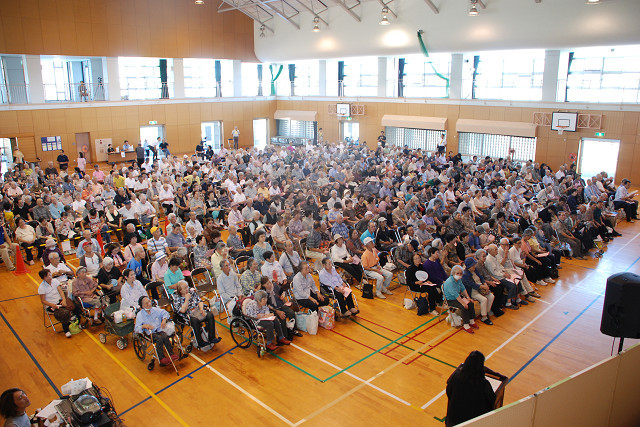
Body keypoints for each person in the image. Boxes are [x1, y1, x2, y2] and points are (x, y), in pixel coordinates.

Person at [446, 351, 502, 426]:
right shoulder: (483, 384)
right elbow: (492, 400)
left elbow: (448, 392)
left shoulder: (456, 377)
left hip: (453, 421)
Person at [172, 281, 221, 349]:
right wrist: (187, 299)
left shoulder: (191, 291)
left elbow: (199, 301)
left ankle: (212, 337)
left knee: (210, 315)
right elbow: (182, 310)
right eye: (185, 288)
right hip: (187, 315)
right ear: (180, 290)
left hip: (197, 310)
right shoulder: (176, 297)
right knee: (194, 321)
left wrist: (201, 309)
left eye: (187, 286)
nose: (187, 289)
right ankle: (200, 342)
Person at [38, 269, 81, 338]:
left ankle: (77, 323)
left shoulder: (55, 281)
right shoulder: (42, 287)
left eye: (50, 274)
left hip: (59, 300)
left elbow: (61, 292)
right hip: (51, 305)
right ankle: (66, 330)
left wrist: (64, 300)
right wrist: (53, 305)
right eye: (48, 275)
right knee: (63, 313)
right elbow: (43, 301)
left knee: (75, 306)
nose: (50, 276)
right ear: (44, 278)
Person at [134, 296, 177, 366]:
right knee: (159, 339)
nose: (149, 304)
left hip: (159, 329)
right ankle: (161, 358)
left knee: (165, 336)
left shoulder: (155, 309)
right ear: (142, 306)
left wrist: (164, 320)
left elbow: (165, 313)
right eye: (146, 303)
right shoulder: (140, 315)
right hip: (150, 332)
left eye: (149, 301)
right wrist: (144, 326)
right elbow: (136, 328)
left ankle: (171, 354)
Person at [442, 265, 477, 334]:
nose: (459, 275)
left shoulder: (458, 280)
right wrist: (463, 303)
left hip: (457, 297)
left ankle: (471, 320)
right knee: (464, 307)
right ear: (453, 273)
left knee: (470, 303)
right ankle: (466, 325)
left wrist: (468, 298)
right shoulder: (449, 282)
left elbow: (463, 288)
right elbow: (456, 295)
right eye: (457, 273)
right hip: (450, 300)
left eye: (461, 273)